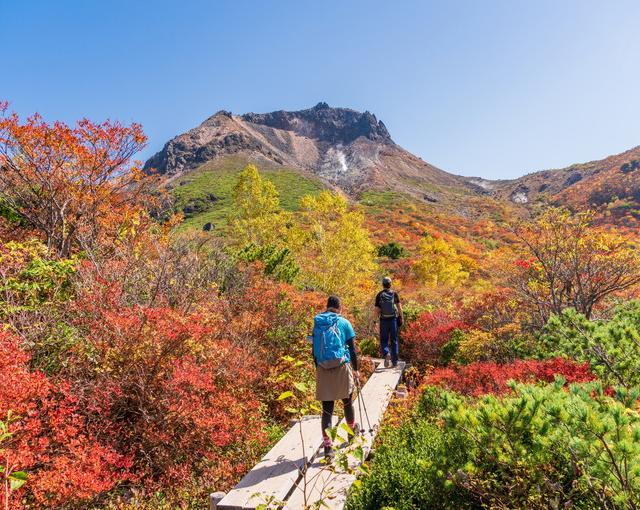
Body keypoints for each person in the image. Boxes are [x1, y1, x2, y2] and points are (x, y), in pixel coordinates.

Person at [312, 295, 359, 458]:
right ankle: (352, 435)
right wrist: (356, 370)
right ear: (340, 307)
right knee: (347, 402)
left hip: (323, 368)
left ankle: (328, 449)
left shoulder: (318, 323)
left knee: (327, 411)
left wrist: (318, 368)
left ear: (327, 306)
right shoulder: (344, 322)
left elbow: (314, 350)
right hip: (341, 366)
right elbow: (352, 349)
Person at [374, 276, 403, 368]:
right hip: (393, 320)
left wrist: (375, 322)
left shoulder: (379, 295)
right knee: (394, 340)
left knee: (384, 340)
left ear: (383, 285)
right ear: (390, 284)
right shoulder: (394, 294)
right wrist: (401, 317)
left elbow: (376, 310)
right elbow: (399, 307)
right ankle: (394, 362)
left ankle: (386, 353)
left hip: (383, 320)